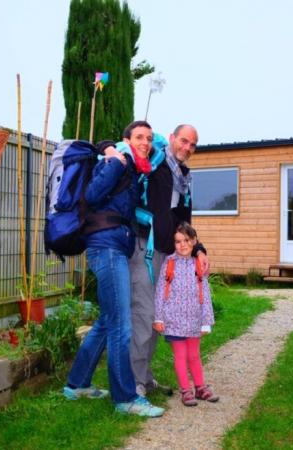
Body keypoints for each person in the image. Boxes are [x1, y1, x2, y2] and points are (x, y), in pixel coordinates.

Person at [62, 121, 164, 418]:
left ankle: (76, 384)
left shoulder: (133, 166)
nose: (145, 142)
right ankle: (125, 398)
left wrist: (112, 148)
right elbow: (92, 195)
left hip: (114, 245)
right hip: (106, 247)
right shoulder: (120, 162)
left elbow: (158, 142)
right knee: (121, 324)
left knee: (107, 321)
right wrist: (114, 157)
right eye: (139, 137)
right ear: (126, 140)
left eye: (148, 138)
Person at [128, 124, 210, 397]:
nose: (187, 148)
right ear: (172, 138)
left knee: (156, 318)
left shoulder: (184, 177)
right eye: (183, 141)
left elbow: (182, 222)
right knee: (144, 315)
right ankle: (133, 383)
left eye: (192, 145)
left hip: (166, 254)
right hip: (144, 249)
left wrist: (199, 249)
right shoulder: (156, 159)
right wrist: (106, 146)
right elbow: (119, 144)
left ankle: (144, 377)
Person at [153, 222, 218, 406]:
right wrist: (158, 317)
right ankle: (186, 391)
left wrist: (206, 321)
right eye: (178, 241)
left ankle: (200, 388)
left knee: (194, 355)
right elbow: (160, 292)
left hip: (194, 320)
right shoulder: (169, 263)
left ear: (194, 241)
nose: (182, 245)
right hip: (173, 320)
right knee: (180, 356)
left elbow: (204, 294)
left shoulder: (199, 264)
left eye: (186, 240)